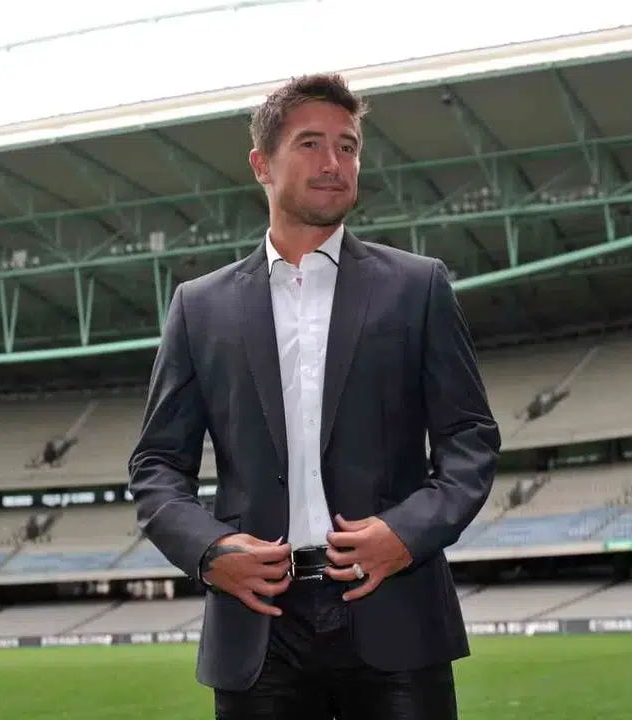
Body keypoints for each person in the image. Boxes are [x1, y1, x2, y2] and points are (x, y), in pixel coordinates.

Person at [128, 72, 501, 719]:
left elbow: (470, 440)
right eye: (310, 144)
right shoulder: (199, 307)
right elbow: (157, 465)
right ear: (261, 165)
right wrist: (211, 552)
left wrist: (406, 532)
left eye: (347, 146)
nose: (334, 162)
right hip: (257, 627)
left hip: (396, 613)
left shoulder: (417, 287)